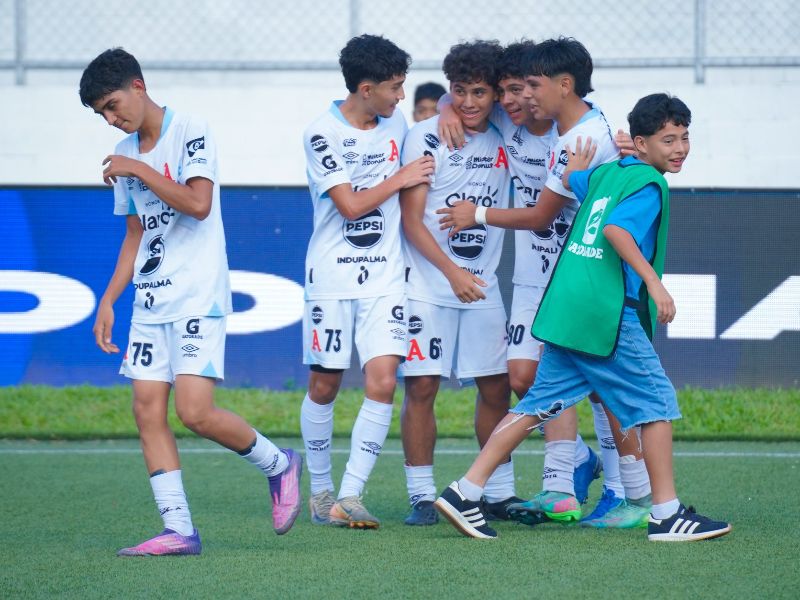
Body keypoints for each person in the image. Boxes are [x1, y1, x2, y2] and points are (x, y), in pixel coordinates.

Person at [434, 92, 732, 542]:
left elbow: (577, 182)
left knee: (536, 405)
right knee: (655, 405)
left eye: (684, 138)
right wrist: (654, 283)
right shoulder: (649, 184)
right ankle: (667, 515)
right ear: (640, 144)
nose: (679, 148)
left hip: (564, 308)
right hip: (605, 313)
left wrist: (574, 166)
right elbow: (615, 231)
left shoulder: (609, 173)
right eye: (667, 139)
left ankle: (465, 491)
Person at [81, 48, 303, 556]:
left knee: (195, 412)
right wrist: (110, 299)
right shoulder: (125, 150)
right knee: (146, 411)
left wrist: (136, 167)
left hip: (197, 295)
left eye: (113, 105)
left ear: (138, 85)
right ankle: (179, 529)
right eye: (102, 114)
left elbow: (198, 205)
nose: (111, 118)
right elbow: (136, 234)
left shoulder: (191, 131)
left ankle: (279, 464)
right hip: (150, 302)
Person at [438, 38, 653, 528]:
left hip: (583, 274)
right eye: (510, 90)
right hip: (537, 275)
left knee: (602, 388)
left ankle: (621, 492)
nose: (517, 100)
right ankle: (572, 467)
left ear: (557, 86)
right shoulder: (514, 121)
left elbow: (541, 217)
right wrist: (448, 106)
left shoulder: (583, 137)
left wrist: (476, 215)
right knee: (523, 378)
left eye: (525, 88)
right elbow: (469, 98)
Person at [300, 34, 434, 529]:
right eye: (395, 87)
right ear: (365, 88)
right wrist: (401, 178)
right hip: (331, 278)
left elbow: (436, 125)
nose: (402, 97)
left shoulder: (396, 120)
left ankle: (350, 495)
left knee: (383, 382)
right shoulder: (321, 134)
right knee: (325, 384)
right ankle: (318, 491)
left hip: (384, 279)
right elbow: (351, 206)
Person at [399, 40, 520, 527]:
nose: (468, 103)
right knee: (423, 386)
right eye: (458, 92)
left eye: (479, 93)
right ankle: (421, 495)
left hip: (483, 285)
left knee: (497, 387)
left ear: (495, 95)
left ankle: (498, 493)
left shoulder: (508, 133)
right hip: (429, 284)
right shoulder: (425, 135)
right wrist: (452, 274)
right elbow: (412, 221)